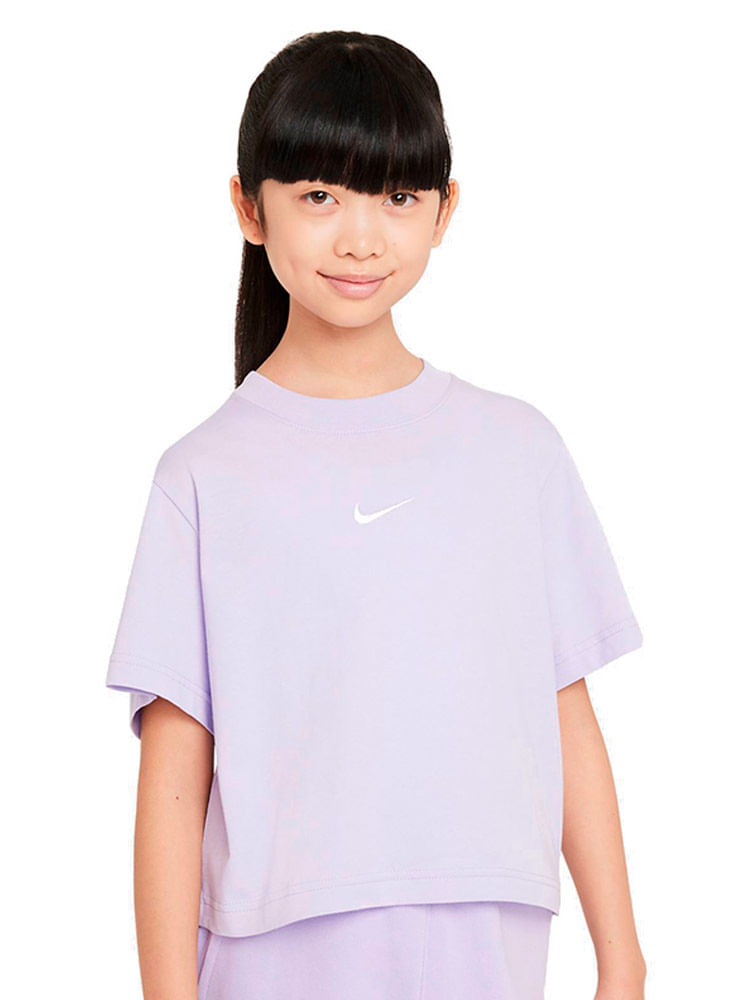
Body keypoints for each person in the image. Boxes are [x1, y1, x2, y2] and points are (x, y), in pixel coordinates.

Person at [105, 29, 647, 1000]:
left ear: (445, 210)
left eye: (396, 197)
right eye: (320, 196)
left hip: (485, 935)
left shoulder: (515, 449)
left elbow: (561, 706)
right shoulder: (203, 476)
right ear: (248, 207)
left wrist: (623, 960)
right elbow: (174, 778)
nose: (360, 237)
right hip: (274, 949)